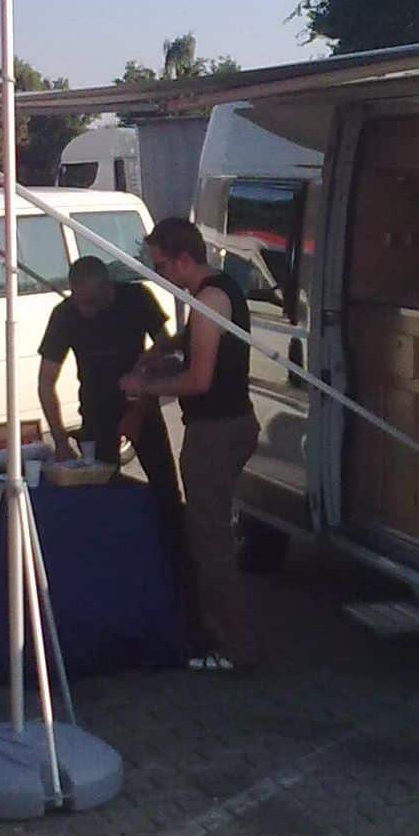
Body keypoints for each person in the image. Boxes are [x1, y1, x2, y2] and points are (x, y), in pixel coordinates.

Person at [121, 217, 260, 672]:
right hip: (225, 425)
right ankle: (223, 636)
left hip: (216, 431)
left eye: (161, 265)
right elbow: (196, 344)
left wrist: (144, 387)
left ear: (184, 260)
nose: (159, 274)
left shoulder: (209, 300)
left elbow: (200, 379)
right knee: (210, 533)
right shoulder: (217, 291)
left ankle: (230, 647)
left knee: (209, 540)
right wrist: (164, 349)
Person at [36, 255, 181, 514]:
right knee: (99, 495)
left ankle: (173, 534)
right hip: (95, 410)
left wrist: (138, 408)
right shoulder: (65, 314)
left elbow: (165, 349)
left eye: (92, 303)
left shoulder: (136, 298)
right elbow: (46, 382)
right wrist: (60, 439)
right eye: (79, 301)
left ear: (108, 288)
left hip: (142, 404)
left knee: (165, 489)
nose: (85, 310)